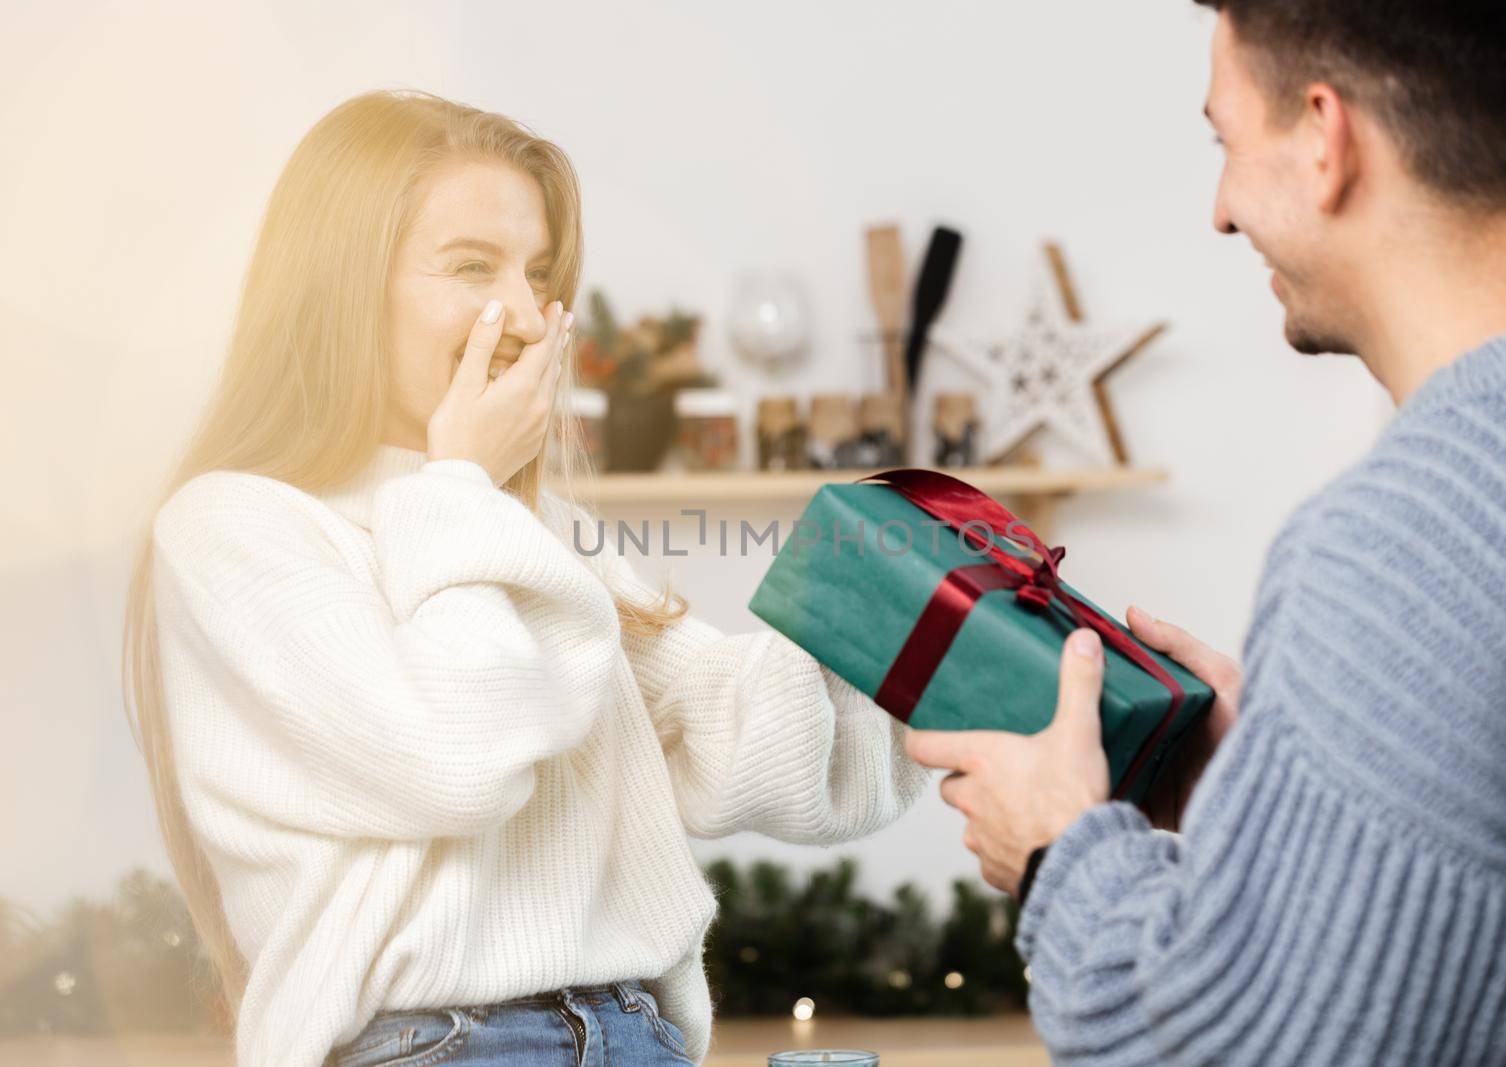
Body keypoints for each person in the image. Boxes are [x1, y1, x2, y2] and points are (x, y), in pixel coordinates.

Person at [122, 89, 928, 1067]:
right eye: (470, 265)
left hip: (638, 1032)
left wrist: (898, 608)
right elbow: (455, 755)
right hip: (437, 1045)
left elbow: (720, 730)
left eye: (538, 270)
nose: (523, 312)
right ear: (340, 286)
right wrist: (462, 479)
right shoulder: (237, 525)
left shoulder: (531, 528)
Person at [905, 1, 1506, 1063]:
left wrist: (1058, 855)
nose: (1221, 210)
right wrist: (1280, 775)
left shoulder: (1392, 547)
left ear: (1325, 138)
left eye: (1225, 141)